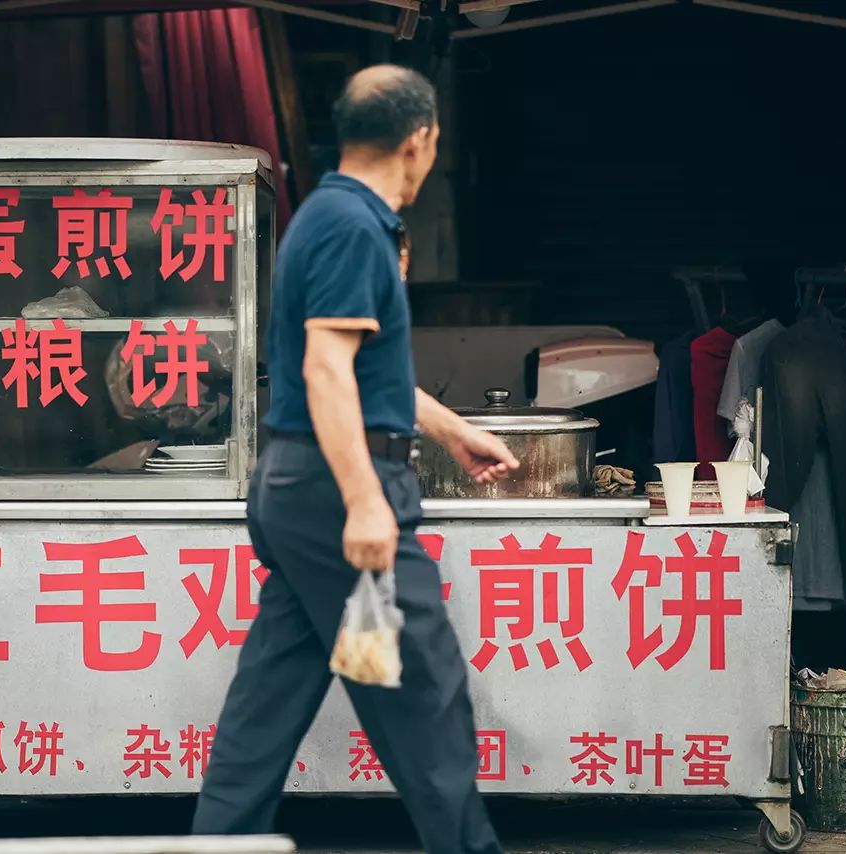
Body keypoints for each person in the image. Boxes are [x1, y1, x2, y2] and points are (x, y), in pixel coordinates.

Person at [192, 64, 516, 854]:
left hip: (303, 490)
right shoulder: (350, 226)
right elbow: (327, 371)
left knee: (269, 704)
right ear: (421, 141)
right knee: (426, 699)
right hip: (337, 495)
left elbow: (366, 375)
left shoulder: (333, 216)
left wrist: (448, 429)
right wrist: (367, 502)